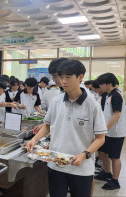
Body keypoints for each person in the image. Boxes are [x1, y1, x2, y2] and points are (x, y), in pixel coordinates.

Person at [26, 60, 107, 197]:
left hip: (81, 167)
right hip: (56, 164)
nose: (63, 81)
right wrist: (34, 139)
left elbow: (100, 138)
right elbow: (47, 126)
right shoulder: (57, 101)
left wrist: (85, 154)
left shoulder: (92, 104)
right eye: (61, 77)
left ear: (80, 77)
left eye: (68, 77)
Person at [95, 73, 126, 190]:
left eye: (101, 84)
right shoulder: (108, 95)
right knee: (102, 152)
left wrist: (104, 129)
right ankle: (107, 173)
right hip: (108, 131)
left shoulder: (116, 95)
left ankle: (115, 181)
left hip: (116, 132)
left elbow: (116, 115)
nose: (100, 86)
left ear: (108, 84)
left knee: (114, 156)